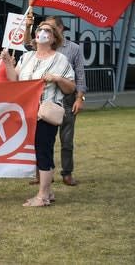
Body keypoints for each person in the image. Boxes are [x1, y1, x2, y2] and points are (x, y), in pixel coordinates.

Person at [1, 22, 75, 207]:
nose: (42, 32)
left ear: (54, 37)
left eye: (47, 30)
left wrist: (57, 78)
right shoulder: (26, 57)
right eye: (40, 29)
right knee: (39, 151)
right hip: (28, 112)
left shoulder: (60, 59)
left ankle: (42, 196)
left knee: (43, 151)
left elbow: (70, 88)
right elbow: (14, 80)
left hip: (46, 113)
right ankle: (48, 192)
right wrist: (7, 63)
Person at [44, 16, 86, 186]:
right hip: (49, 99)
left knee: (66, 140)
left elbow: (80, 74)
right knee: (46, 139)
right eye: (45, 29)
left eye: (50, 28)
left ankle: (67, 173)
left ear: (60, 28)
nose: (47, 32)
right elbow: (26, 46)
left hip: (68, 99)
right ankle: (47, 172)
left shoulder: (73, 48)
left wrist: (80, 98)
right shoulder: (45, 48)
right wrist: (27, 26)